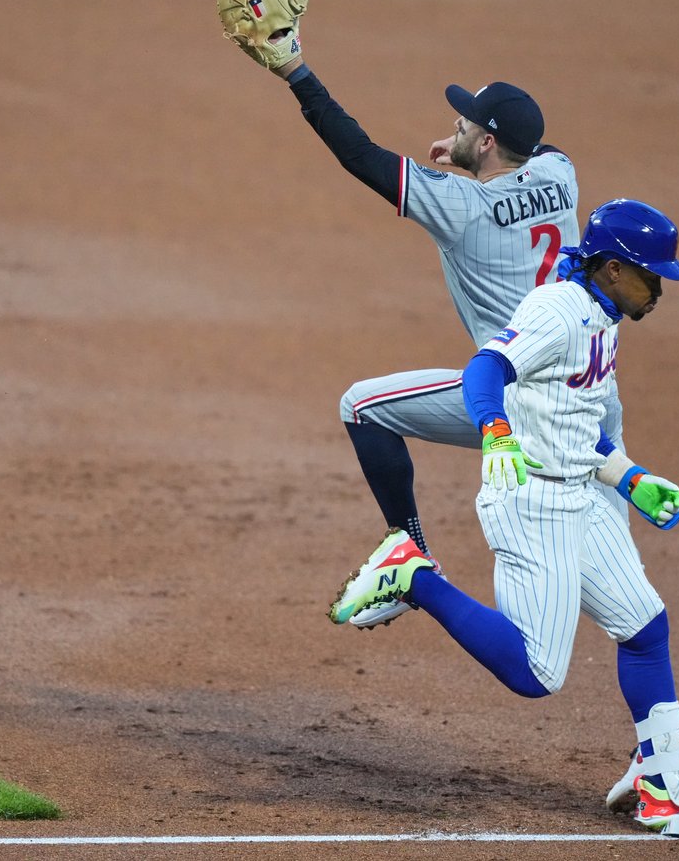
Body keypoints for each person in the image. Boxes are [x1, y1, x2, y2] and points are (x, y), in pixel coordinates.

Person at [326, 199, 679, 829]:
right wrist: (495, 431)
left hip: (580, 491)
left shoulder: (606, 316)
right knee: (535, 672)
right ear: (611, 268)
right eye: (650, 275)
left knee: (644, 625)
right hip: (535, 501)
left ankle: (664, 772)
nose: (659, 288)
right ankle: (410, 576)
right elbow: (484, 370)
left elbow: (581, 427)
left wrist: (632, 480)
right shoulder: (556, 312)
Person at [260, 48, 630, 634]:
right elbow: (539, 151)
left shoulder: (459, 206)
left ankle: (409, 558)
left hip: (510, 402)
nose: (456, 122)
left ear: (487, 143)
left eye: (467, 122)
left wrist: (294, 73)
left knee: (361, 407)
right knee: (623, 600)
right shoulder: (562, 177)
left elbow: (358, 154)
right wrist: (469, 156)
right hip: (590, 399)